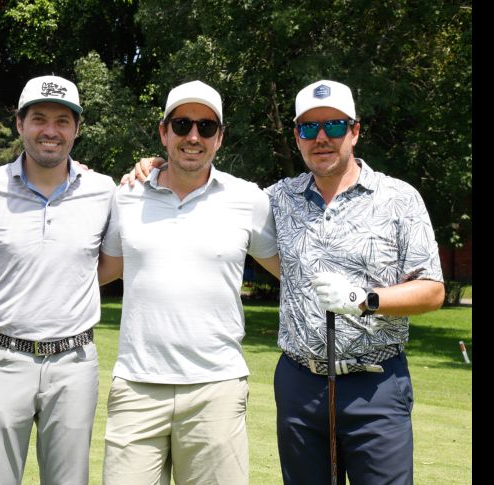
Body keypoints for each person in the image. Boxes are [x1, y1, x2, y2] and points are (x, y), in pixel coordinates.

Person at [127, 79, 445, 484]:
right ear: (297, 136)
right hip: (299, 384)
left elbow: (432, 289)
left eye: (334, 125)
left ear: (355, 131)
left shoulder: (399, 198)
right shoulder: (276, 199)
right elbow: (209, 190)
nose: (322, 137)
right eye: (309, 128)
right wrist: (158, 166)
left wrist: (364, 298)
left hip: (376, 384)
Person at [98, 80, 280, 485]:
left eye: (206, 127)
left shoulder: (247, 198)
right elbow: (100, 271)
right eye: (182, 125)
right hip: (137, 386)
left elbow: (291, 271)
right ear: (164, 132)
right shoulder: (125, 195)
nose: (193, 136)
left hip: (215, 388)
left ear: (220, 138)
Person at [0, 75, 116, 485]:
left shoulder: (103, 190)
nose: (51, 130)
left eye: (63, 121)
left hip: (73, 364)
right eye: (39, 119)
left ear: (77, 129)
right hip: (1, 360)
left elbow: (111, 264)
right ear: (20, 123)